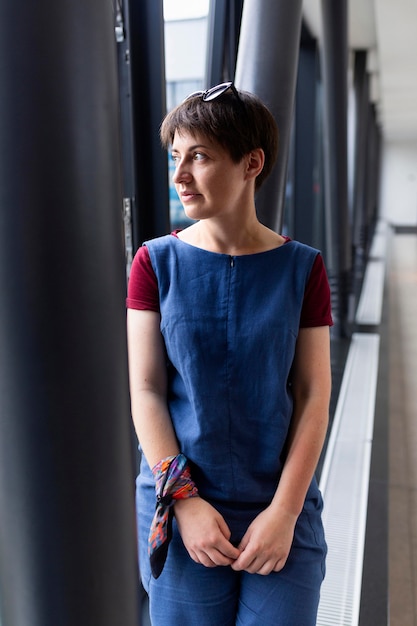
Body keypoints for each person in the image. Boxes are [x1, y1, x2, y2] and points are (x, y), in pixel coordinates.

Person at [126, 82, 333, 626]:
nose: (180, 176)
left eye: (199, 156)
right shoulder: (153, 263)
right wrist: (186, 502)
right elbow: (145, 391)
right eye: (176, 157)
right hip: (182, 499)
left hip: (279, 500)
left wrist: (285, 512)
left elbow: (314, 396)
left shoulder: (303, 268)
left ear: (251, 163)